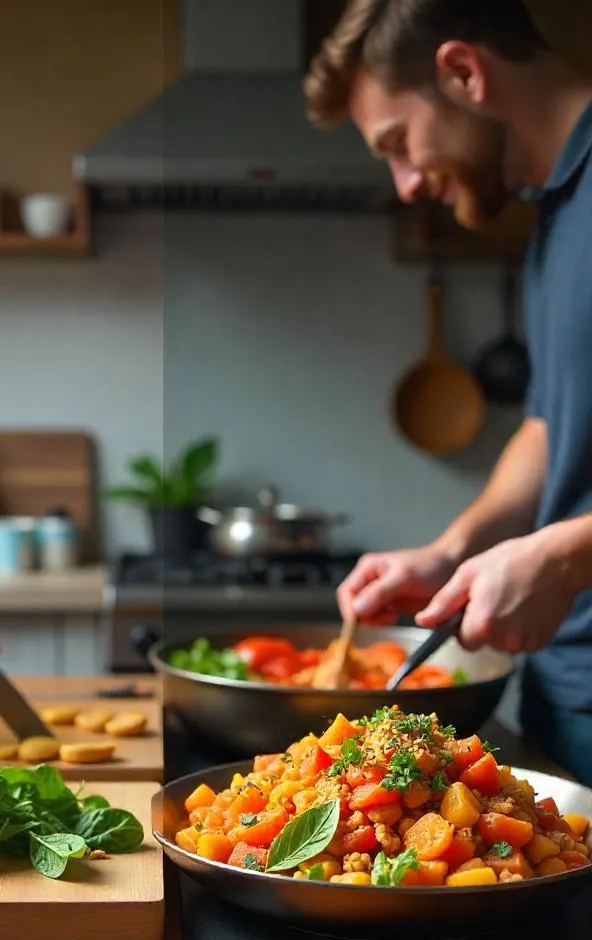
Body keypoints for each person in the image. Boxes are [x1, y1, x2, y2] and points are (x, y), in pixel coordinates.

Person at [303, 0, 592, 782]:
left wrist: (566, 557)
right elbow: (553, 427)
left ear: (463, 72)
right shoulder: (557, 212)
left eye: (398, 143)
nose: (403, 185)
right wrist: (451, 551)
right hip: (564, 700)